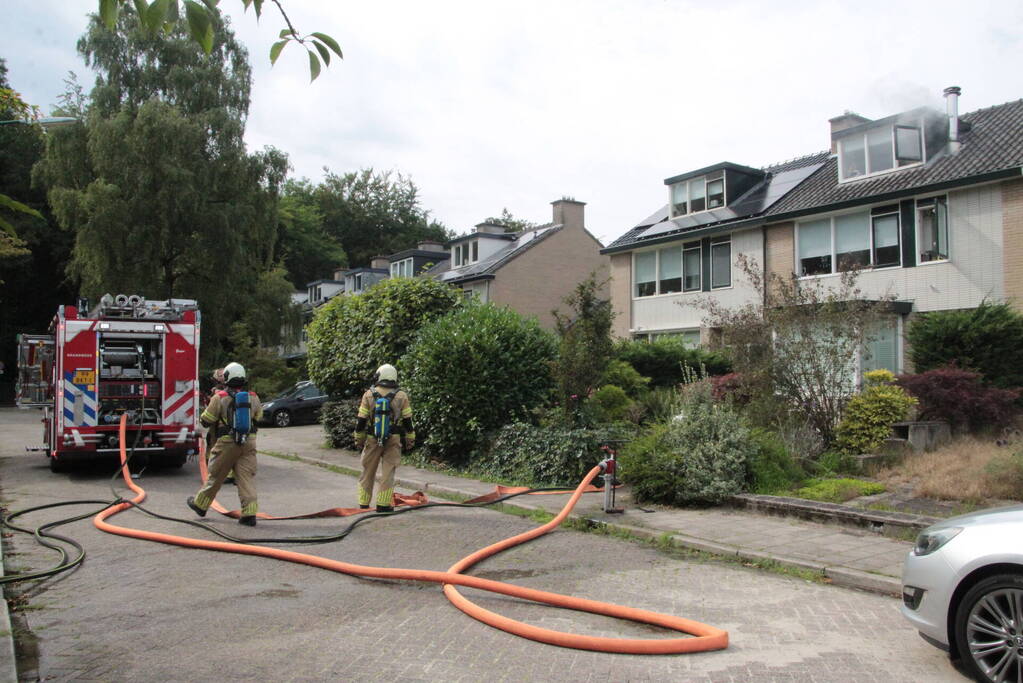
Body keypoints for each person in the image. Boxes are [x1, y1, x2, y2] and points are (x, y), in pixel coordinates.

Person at [187, 362, 263, 526]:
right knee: (245, 478)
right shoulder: (254, 396)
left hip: (227, 442)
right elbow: (259, 417)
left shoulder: (220, 397)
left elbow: (206, 420)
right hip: (248, 443)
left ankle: (200, 504)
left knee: (216, 475)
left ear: (227, 377)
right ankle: (249, 514)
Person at [353, 364, 415, 512]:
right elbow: (408, 421)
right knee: (388, 472)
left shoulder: (368, 394)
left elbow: (361, 421)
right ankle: (383, 505)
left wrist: (359, 439)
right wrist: (410, 438)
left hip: (372, 438)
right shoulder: (401, 395)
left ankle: (363, 504)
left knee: (368, 471)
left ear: (379, 376)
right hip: (393, 438)